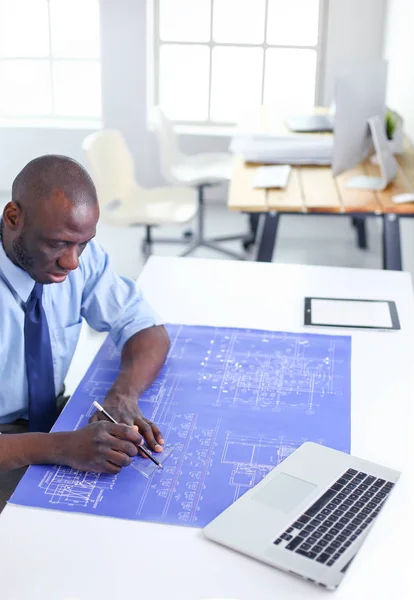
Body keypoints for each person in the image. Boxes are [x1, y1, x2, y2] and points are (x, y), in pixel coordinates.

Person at [0, 155, 170, 511]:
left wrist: (121, 397)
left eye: (84, 243)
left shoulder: (77, 256)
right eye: (58, 244)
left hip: (52, 419)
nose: (73, 262)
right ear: (13, 218)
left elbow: (146, 328)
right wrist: (61, 447)